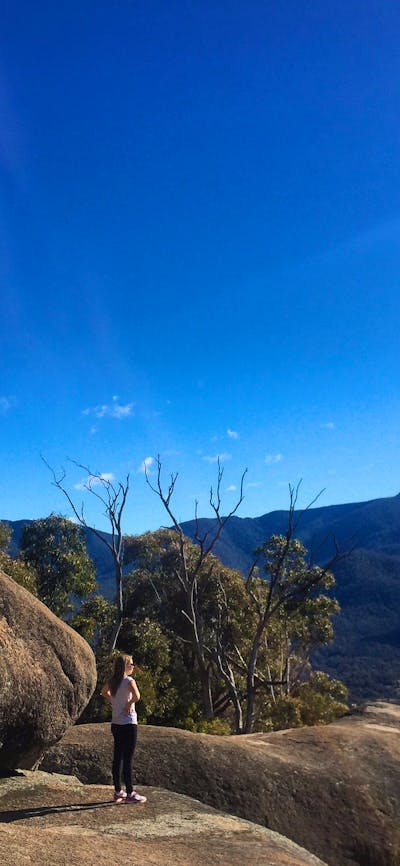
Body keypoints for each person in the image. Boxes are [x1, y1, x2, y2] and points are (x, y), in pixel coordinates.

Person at [101, 653, 147, 803]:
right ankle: (130, 793)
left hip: (116, 723)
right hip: (128, 723)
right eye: (131, 664)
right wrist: (128, 704)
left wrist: (113, 701)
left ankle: (117, 791)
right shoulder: (129, 680)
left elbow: (104, 692)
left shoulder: (113, 681)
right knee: (128, 759)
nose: (133, 667)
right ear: (126, 666)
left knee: (117, 758)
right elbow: (137, 696)